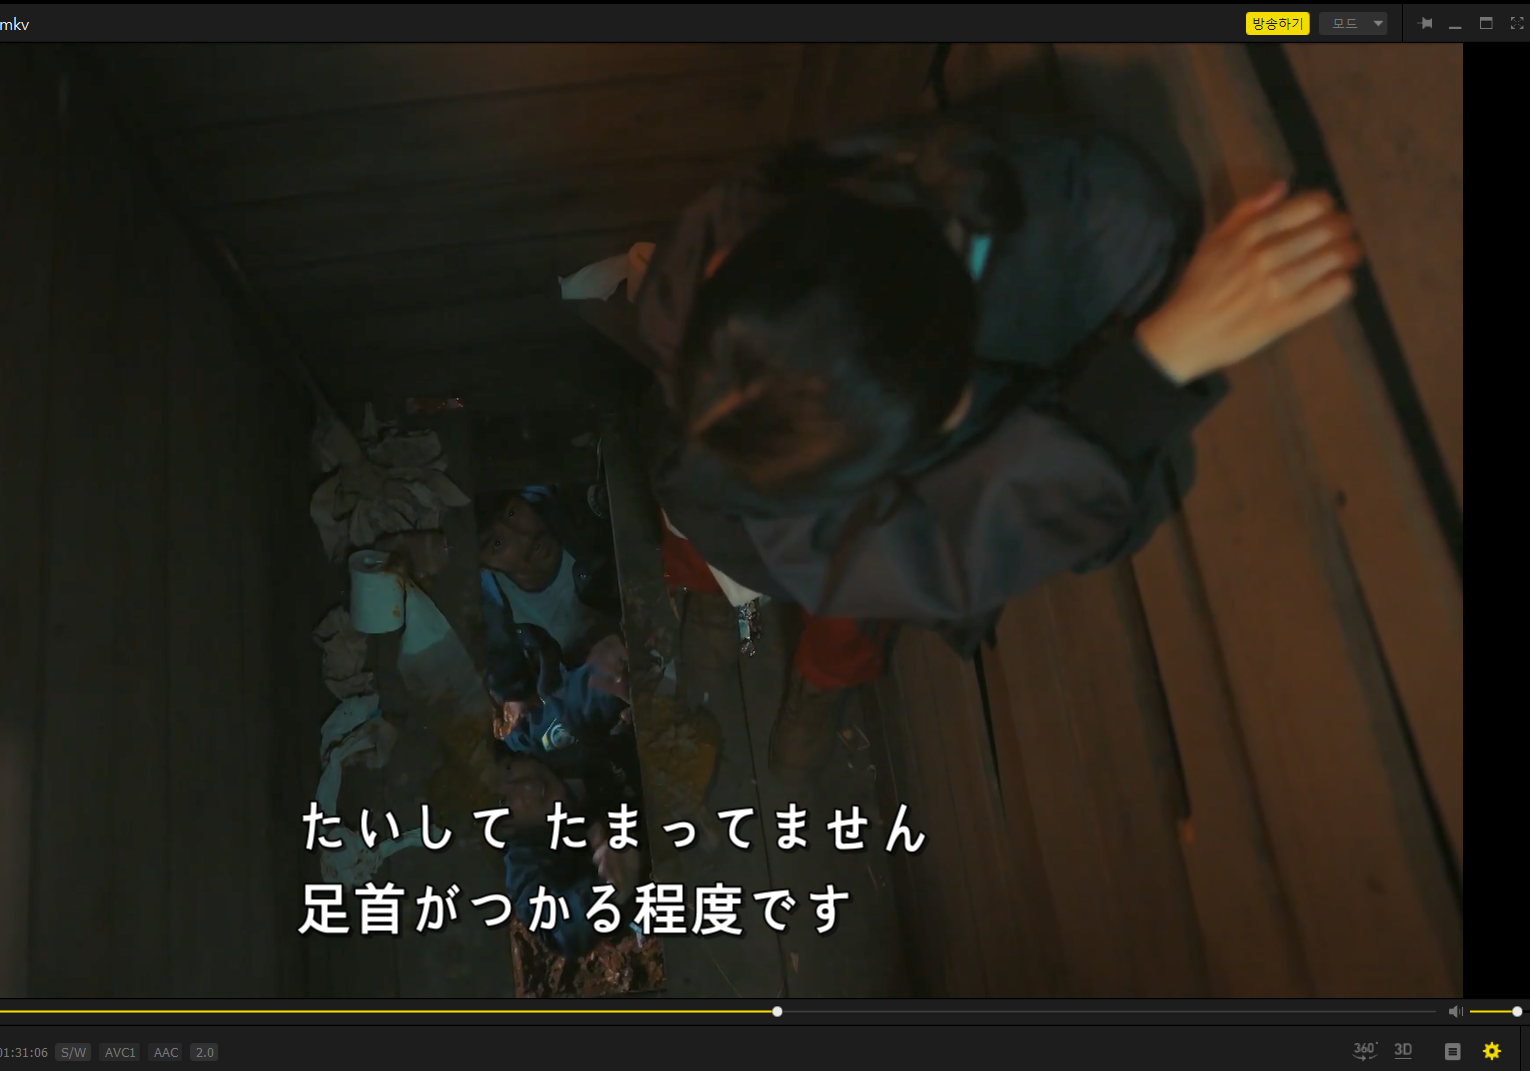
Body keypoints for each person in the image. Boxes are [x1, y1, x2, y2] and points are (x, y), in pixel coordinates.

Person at [632, 104, 1363, 773]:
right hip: (751, 508)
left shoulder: (1097, 232)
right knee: (752, 537)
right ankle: (737, 607)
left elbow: (999, 533)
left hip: (828, 519)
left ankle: (820, 677)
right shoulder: (721, 280)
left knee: (856, 582)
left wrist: (1152, 370)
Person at [489, 634, 644, 958]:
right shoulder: (524, 857)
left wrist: (609, 679)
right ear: (504, 830)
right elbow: (554, 924)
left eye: (508, 771)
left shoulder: (537, 743)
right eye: (505, 803)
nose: (526, 786)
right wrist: (609, 890)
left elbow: (572, 708)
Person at [477, 486, 621, 703]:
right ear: (485, 566)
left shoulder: (584, 514)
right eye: (497, 544)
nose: (525, 537)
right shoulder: (493, 611)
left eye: (513, 513)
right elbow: (521, 696)